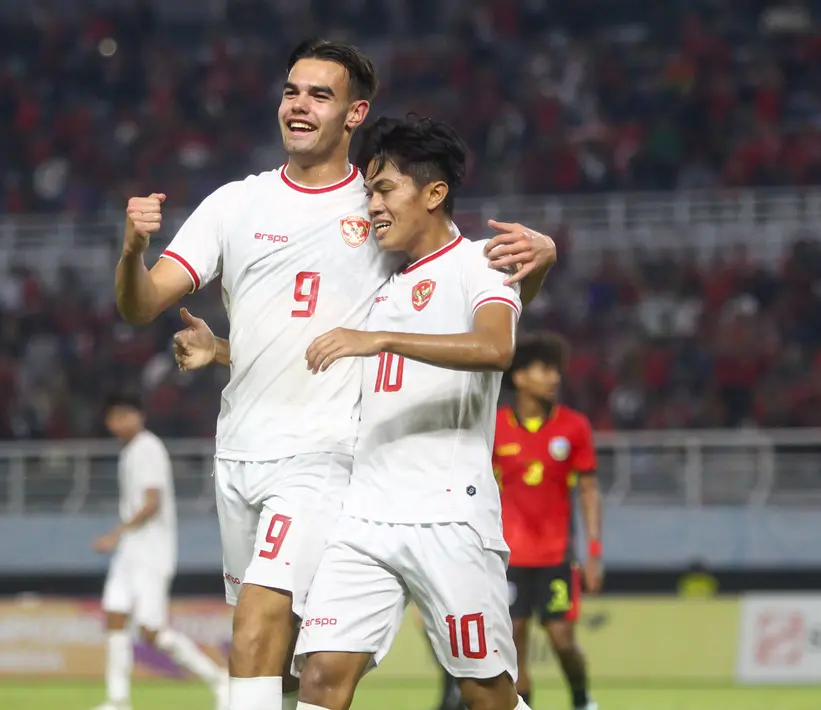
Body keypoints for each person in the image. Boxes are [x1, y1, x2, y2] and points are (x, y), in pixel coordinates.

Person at [115, 38, 558, 710]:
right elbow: (146, 305)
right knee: (300, 668)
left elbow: (470, 296)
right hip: (250, 456)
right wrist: (142, 261)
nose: (298, 104)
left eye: (318, 94)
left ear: (355, 113)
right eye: (292, 90)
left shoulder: (384, 209)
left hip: (336, 460)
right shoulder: (238, 204)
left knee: (261, 623)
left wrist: (546, 255)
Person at [285, 115, 533, 710]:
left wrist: (382, 341)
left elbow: (497, 349)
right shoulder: (381, 286)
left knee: (486, 694)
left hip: (448, 513)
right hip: (365, 517)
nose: (371, 204)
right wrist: (216, 349)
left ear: (434, 192)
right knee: (319, 678)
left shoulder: (479, 263)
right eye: (368, 191)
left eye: (383, 189)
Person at [91, 395, 228, 710]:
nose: (117, 423)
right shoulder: (130, 452)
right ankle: (118, 699)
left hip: (151, 550)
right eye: (113, 417)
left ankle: (217, 677)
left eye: (124, 415)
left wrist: (115, 534)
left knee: (152, 631)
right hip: (131, 549)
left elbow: (152, 502)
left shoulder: (147, 448)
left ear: (139, 416)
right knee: (114, 615)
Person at [494, 333, 604, 710]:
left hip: (556, 555)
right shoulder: (495, 427)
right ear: (520, 378)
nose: (554, 377)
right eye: (543, 369)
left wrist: (593, 553)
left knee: (562, 641)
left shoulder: (573, 428)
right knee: (514, 640)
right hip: (509, 557)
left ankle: (581, 698)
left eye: (555, 370)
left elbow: (589, 491)